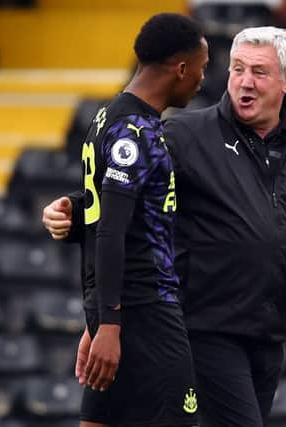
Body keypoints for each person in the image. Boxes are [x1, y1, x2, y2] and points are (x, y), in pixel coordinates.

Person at [44, 27, 286, 427]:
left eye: (259, 72)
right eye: (237, 69)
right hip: (201, 329)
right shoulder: (185, 135)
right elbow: (125, 194)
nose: (245, 81)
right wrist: (75, 211)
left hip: (267, 338)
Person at [63, 13, 208, 427]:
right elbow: (110, 229)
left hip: (119, 309)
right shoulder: (136, 132)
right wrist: (108, 323)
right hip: (147, 311)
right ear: (181, 68)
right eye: (202, 66)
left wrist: (100, 317)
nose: (201, 79)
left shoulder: (105, 117)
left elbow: (96, 220)